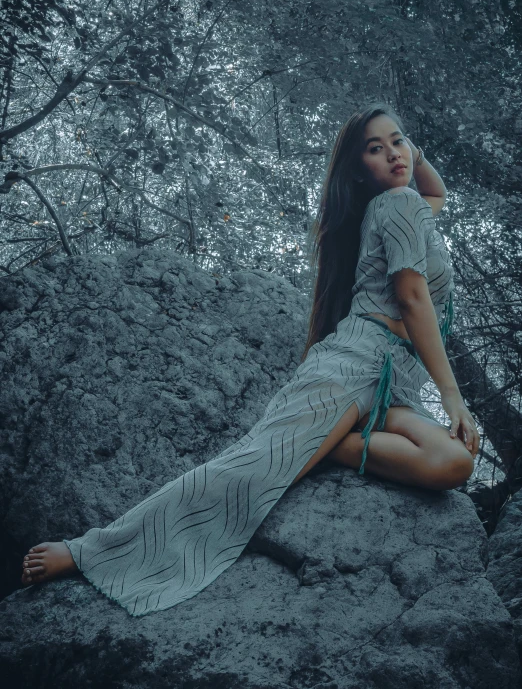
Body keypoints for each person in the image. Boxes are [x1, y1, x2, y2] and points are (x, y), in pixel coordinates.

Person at [20, 103, 479, 617]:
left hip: (393, 387)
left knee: (454, 463)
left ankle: (332, 447)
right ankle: (90, 551)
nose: (394, 154)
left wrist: (406, 149)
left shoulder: (413, 207)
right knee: (252, 466)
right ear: (357, 167)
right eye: (376, 148)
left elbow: (437, 191)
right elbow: (414, 299)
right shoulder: (396, 204)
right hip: (353, 362)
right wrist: (453, 395)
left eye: (398, 141)